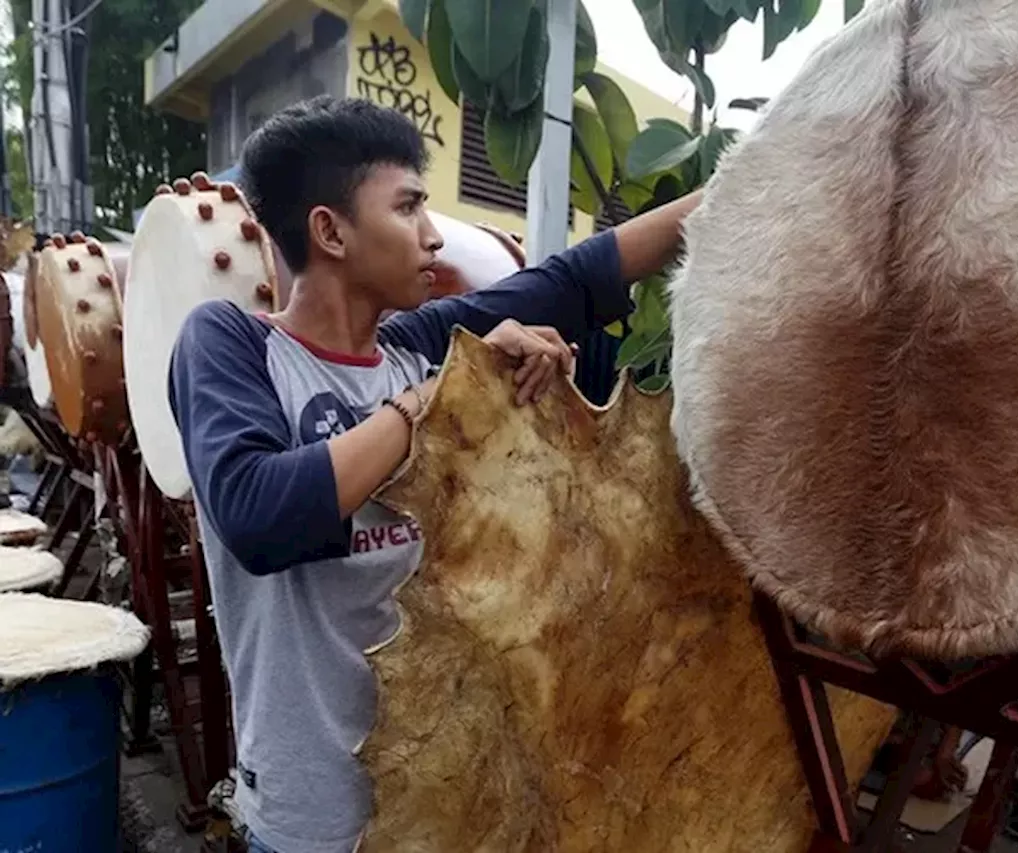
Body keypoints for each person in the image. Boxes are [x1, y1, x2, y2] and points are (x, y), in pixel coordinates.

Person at [167, 95, 699, 853]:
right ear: (330, 230)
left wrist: (741, 186)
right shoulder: (232, 347)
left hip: (448, 805)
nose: (432, 234)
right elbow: (259, 515)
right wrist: (432, 398)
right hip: (313, 821)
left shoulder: (420, 342)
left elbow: (576, 278)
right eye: (409, 206)